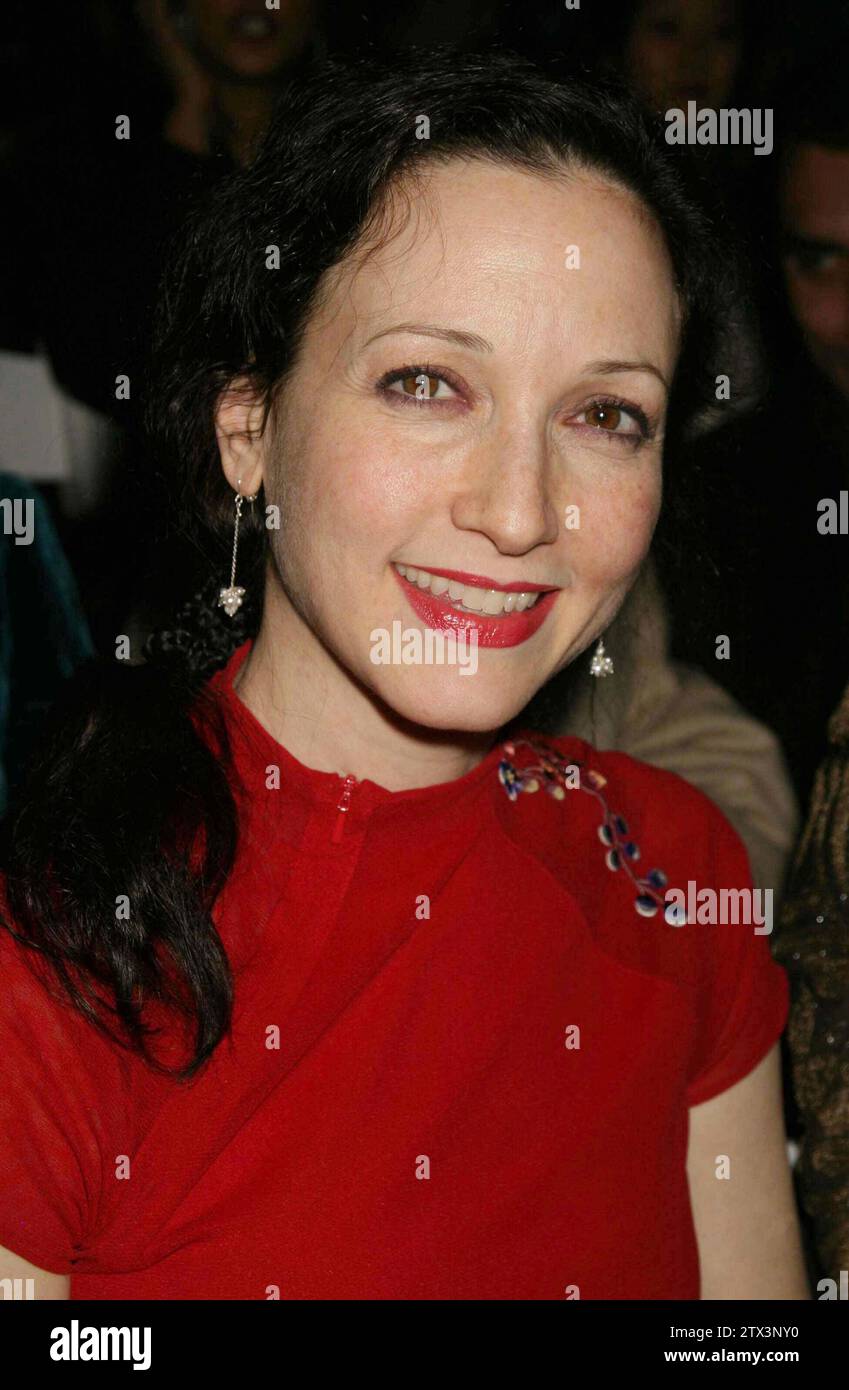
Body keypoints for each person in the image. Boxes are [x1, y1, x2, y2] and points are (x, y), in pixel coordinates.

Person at [0, 51, 808, 1300]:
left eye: (606, 414)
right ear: (250, 428)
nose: (522, 510)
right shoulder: (60, 952)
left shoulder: (674, 871)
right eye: (428, 384)